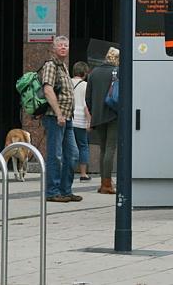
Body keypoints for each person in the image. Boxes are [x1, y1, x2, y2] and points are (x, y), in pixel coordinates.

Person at [40, 36, 79, 202]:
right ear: (53, 49)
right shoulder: (51, 65)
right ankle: (52, 191)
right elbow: (48, 91)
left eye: (66, 45)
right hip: (55, 117)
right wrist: (58, 113)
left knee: (72, 154)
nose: (63, 48)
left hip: (67, 117)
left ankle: (65, 190)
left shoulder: (63, 67)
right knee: (55, 155)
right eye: (60, 45)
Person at [86, 47, 119, 195]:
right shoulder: (118, 72)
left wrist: (94, 112)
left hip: (98, 116)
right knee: (111, 148)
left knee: (103, 148)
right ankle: (107, 184)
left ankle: (102, 182)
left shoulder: (94, 73)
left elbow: (88, 98)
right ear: (117, 59)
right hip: (113, 114)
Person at [70, 60, 92, 182]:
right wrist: (89, 121)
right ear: (85, 73)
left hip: (69, 118)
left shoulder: (67, 82)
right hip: (81, 120)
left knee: (68, 146)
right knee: (83, 146)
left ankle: (69, 171)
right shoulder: (85, 85)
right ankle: (83, 174)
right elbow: (86, 105)